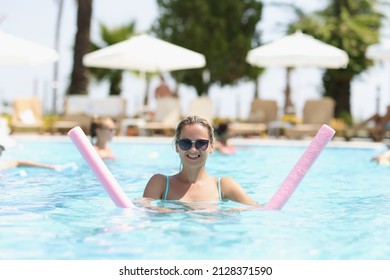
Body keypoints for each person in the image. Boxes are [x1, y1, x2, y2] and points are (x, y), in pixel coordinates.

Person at [142, 115, 259, 208]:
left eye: (201, 144)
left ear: (211, 147)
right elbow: (140, 212)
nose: (193, 149)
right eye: (185, 143)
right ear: (177, 146)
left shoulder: (223, 186)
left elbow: (259, 210)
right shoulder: (160, 183)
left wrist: (231, 212)